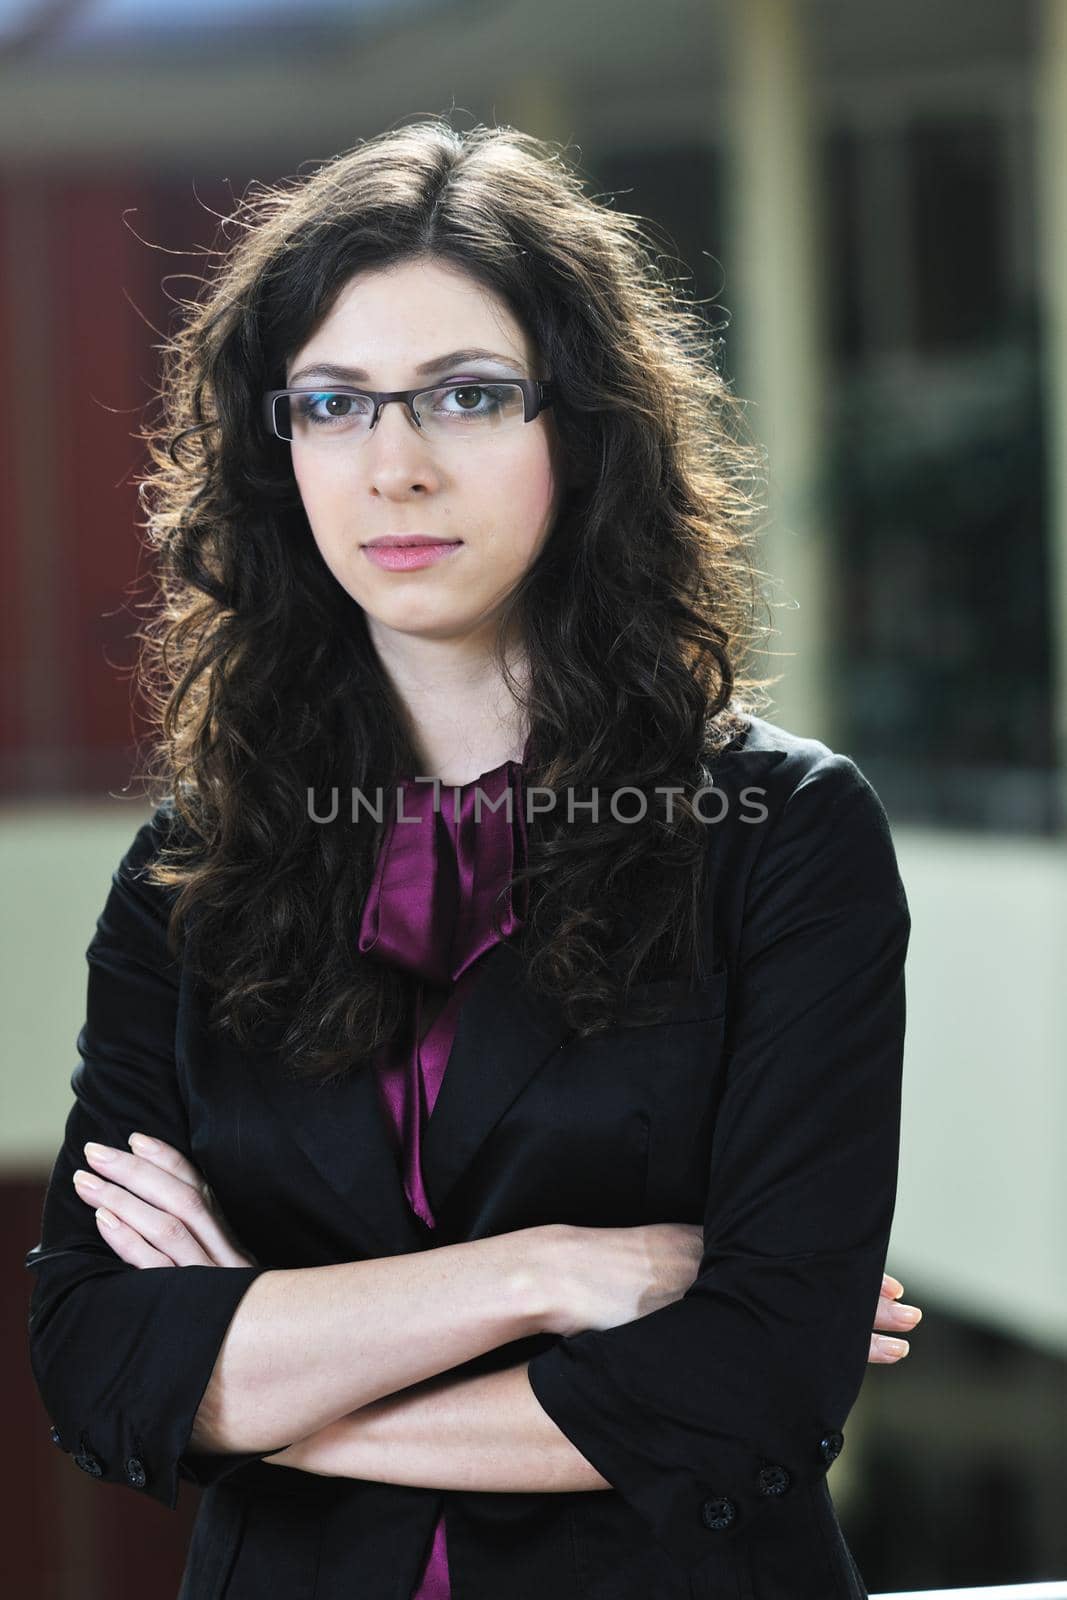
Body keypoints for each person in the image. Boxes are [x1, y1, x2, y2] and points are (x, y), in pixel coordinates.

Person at [24, 118, 920, 1600]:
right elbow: (98, 1358)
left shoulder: (783, 835)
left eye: (469, 396)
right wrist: (550, 1273)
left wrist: (262, 1384)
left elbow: (757, 1383)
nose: (396, 466)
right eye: (332, 404)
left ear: (585, 428)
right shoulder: (192, 873)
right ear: (279, 446)